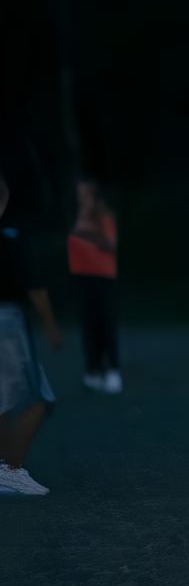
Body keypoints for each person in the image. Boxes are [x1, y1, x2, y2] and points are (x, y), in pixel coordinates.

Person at [0, 167, 63, 496]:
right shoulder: (11, 236)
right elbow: (34, 285)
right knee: (36, 397)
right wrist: (50, 324)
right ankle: (10, 469)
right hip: (6, 318)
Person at [68, 178, 121, 394]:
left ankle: (113, 371)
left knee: (106, 323)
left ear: (94, 196)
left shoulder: (104, 217)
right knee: (89, 327)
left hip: (103, 278)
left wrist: (83, 232)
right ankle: (93, 370)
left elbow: (110, 244)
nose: (81, 198)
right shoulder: (78, 217)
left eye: (85, 194)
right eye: (79, 194)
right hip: (83, 278)